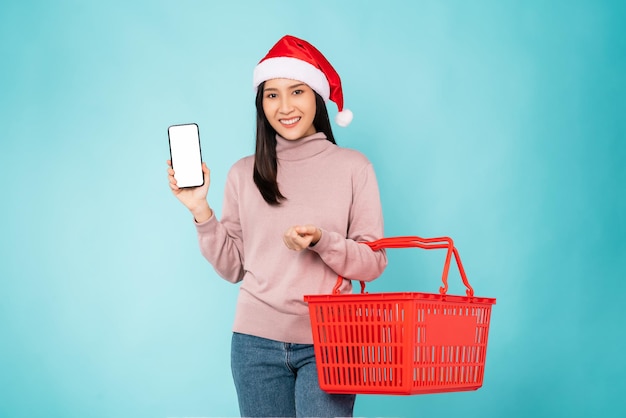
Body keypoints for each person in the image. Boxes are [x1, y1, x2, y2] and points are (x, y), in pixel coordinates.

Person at [167, 35, 387, 417]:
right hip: (254, 345)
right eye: (272, 95)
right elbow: (232, 268)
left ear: (316, 99)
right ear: (261, 103)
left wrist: (322, 241)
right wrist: (200, 210)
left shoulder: (354, 167)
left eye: (297, 92)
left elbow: (372, 263)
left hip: (331, 342)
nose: (284, 107)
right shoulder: (242, 173)